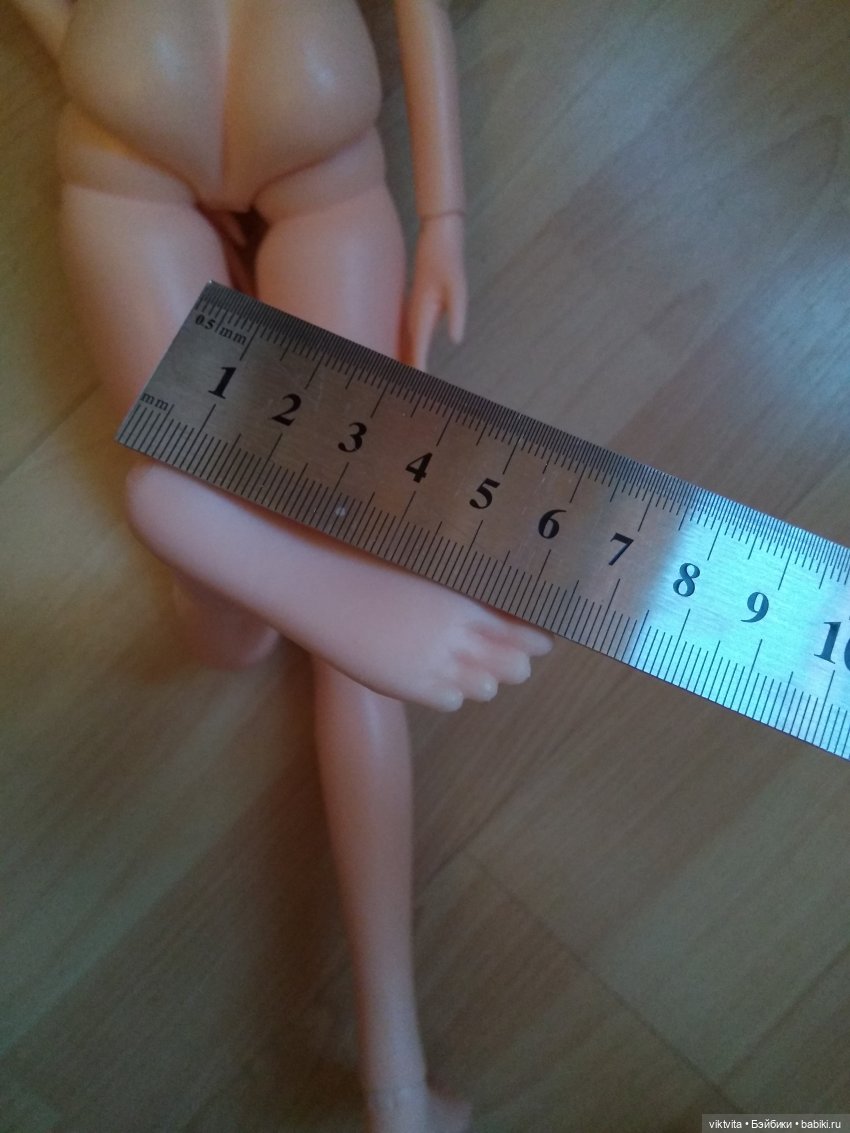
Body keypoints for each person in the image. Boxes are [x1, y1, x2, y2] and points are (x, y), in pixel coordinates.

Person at [12, 3, 551, 1128]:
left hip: (137, 111)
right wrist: (442, 214)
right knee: (333, 576)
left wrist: (115, 86)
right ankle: (394, 1079)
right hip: (304, 120)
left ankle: (200, 531)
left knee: (232, 623)